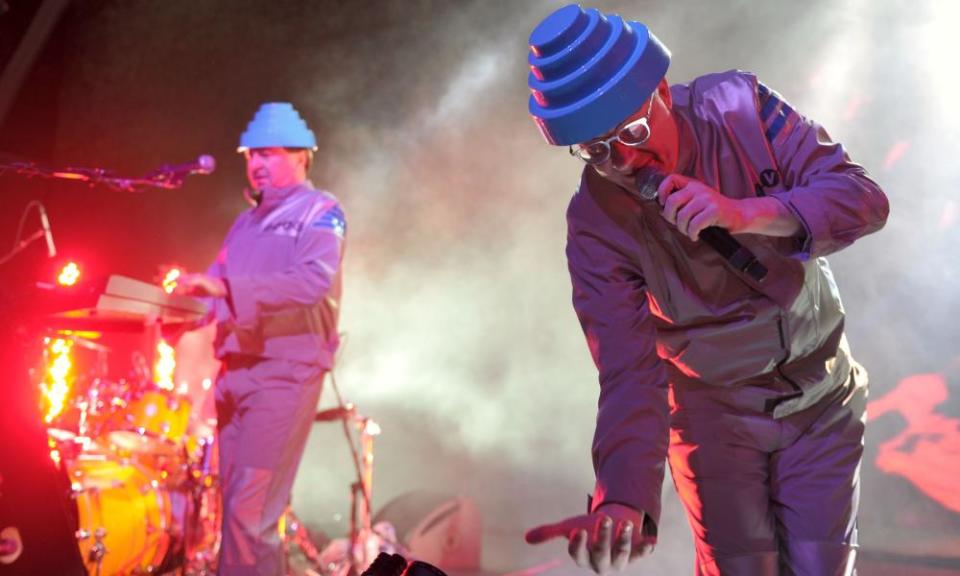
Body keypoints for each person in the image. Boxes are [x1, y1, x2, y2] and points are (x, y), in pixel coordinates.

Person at [522, 5, 888, 575]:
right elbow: (627, 368)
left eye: (633, 132)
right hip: (711, 417)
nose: (624, 160)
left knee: (822, 567)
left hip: (821, 397)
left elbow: (861, 199)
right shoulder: (595, 220)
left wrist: (747, 213)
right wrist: (621, 495)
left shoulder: (740, 108)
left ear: (663, 90)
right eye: (596, 150)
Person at [176, 102, 347, 575]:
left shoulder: (322, 212)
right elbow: (212, 292)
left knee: (250, 516)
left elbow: (312, 282)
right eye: (250, 155)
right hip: (237, 375)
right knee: (237, 515)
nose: (255, 164)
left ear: (301, 156)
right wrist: (174, 310)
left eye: (267, 153)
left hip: (284, 377)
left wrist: (225, 289)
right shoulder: (244, 223)